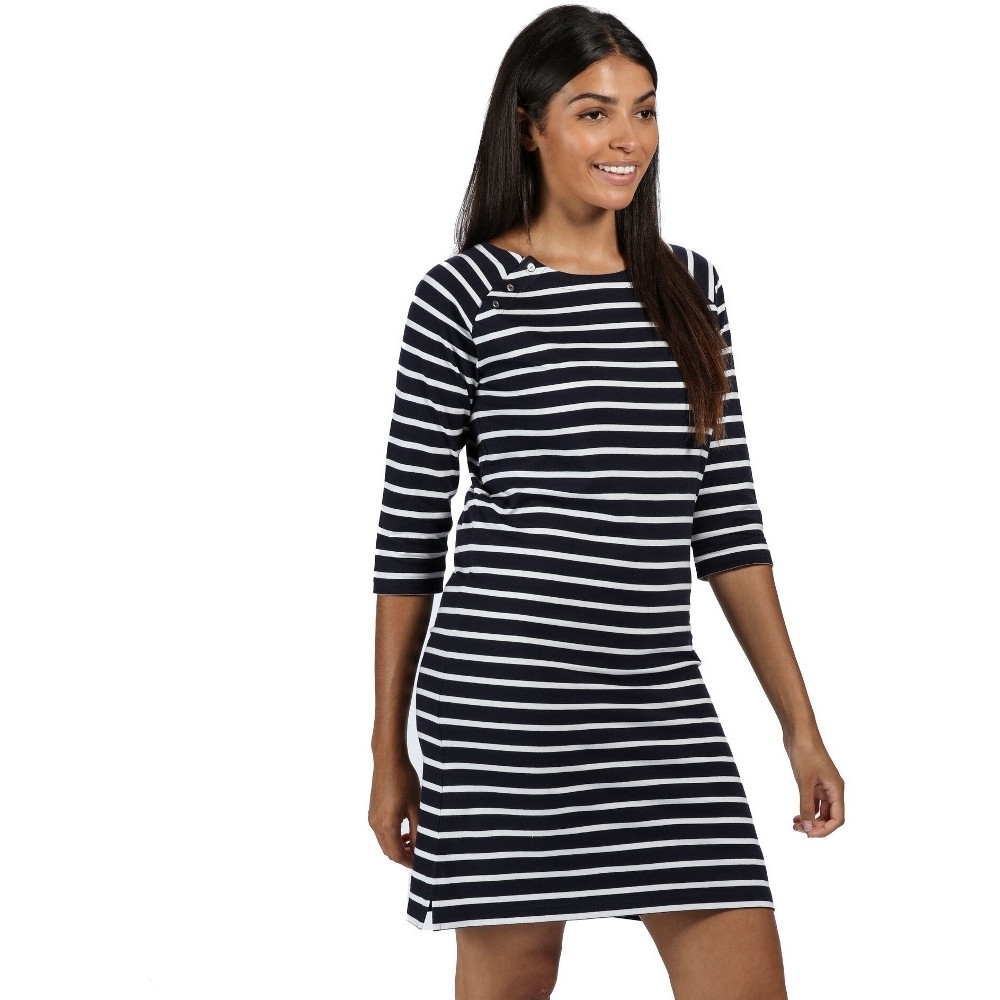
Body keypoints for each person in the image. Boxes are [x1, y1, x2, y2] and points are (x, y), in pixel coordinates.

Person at [368, 5, 845, 998]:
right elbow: (408, 538)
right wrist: (387, 749)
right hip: (505, 710)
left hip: (658, 700)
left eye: (644, 110)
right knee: (513, 979)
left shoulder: (689, 288)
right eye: (593, 113)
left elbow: (727, 522)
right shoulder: (463, 296)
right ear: (528, 126)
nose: (626, 138)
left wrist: (798, 725)